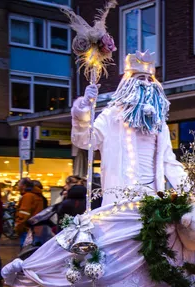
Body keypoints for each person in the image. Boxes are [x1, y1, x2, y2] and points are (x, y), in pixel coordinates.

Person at [71, 51, 186, 206]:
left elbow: (168, 161)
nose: (146, 83)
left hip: (152, 202)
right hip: (119, 203)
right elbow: (85, 140)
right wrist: (84, 107)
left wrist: (188, 190)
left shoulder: (158, 123)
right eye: (140, 78)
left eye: (149, 79)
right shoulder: (112, 116)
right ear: (128, 82)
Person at [14, 179, 43, 248]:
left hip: (27, 229)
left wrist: (18, 227)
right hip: (35, 228)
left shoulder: (28, 196)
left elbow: (24, 215)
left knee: (26, 252)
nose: (17, 186)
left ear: (24, 186)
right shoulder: (37, 195)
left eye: (19, 184)